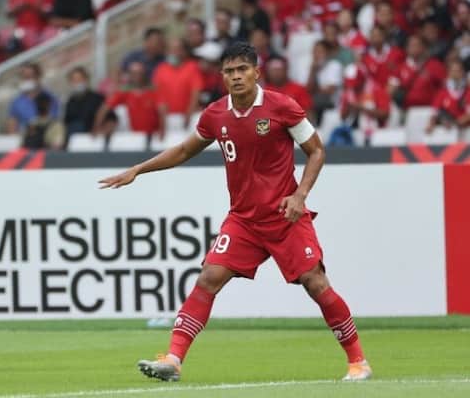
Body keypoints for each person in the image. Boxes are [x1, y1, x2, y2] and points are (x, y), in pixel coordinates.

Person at [99, 42, 372, 382]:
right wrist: (138, 169)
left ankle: (358, 362)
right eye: (229, 71)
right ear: (222, 76)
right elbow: (184, 150)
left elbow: (316, 151)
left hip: (285, 216)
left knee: (315, 282)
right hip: (243, 220)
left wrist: (300, 195)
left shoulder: (282, 106)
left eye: (242, 69)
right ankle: (173, 359)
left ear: (257, 72)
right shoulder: (215, 114)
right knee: (208, 278)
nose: (236, 76)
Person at [94, 61, 162, 136]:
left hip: (153, 135)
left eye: (139, 73)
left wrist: (162, 129)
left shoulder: (153, 91)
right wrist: (96, 126)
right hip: (135, 135)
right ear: (130, 75)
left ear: (144, 74)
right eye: (133, 73)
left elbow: (162, 110)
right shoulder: (125, 92)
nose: (137, 76)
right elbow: (105, 108)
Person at [7, 63, 60, 134]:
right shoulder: (17, 101)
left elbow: (52, 121)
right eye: (24, 77)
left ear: (38, 77)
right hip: (24, 137)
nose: (27, 80)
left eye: (29, 76)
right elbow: (12, 125)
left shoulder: (50, 98)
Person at [64, 66, 108, 137]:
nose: (77, 83)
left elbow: (110, 119)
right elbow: (67, 122)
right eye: (74, 80)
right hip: (75, 139)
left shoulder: (98, 98)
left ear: (86, 79)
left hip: (95, 137)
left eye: (80, 79)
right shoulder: (70, 102)